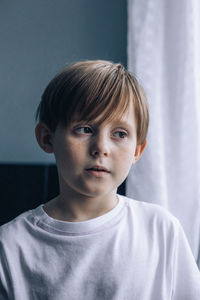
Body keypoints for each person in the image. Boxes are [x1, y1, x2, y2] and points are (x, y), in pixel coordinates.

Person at [0, 60, 199, 300]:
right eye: (84, 129)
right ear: (47, 138)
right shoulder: (10, 247)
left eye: (119, 134)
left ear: (137, 151)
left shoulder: (161, 230)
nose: (101, 148)